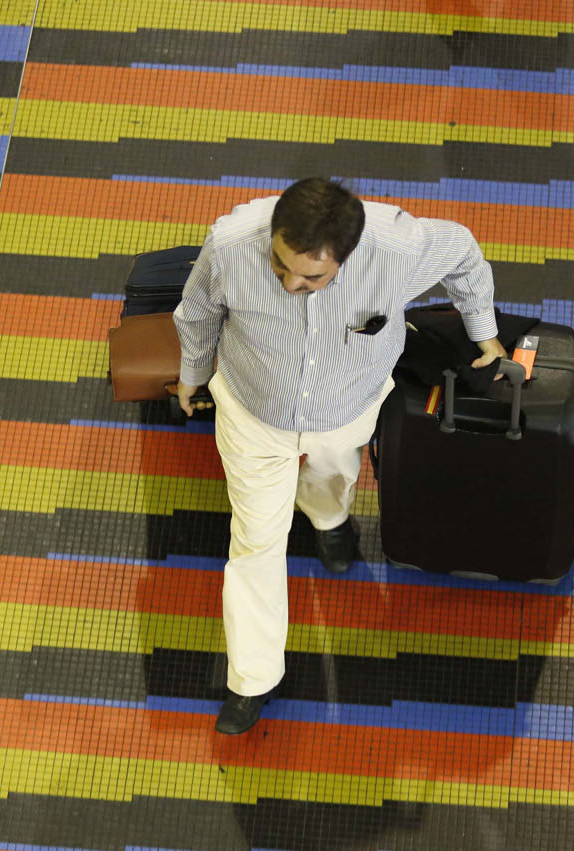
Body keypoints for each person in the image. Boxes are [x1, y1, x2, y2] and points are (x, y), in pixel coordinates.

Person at [173, 177, 505, 734]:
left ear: (346, 258)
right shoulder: (231, 243)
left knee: (335, 477)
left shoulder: (397, 250)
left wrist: (485, 333)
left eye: (311, 276)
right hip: (254, 413)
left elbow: (464, 253)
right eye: (280, 265)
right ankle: (252, 680)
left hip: (345, 412)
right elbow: (198, 312)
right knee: (255, 539)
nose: (289, 283)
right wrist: (190, 374)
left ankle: (329, 520)